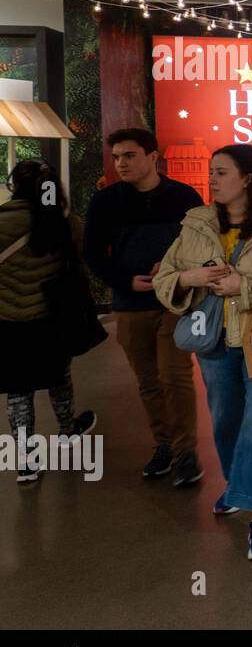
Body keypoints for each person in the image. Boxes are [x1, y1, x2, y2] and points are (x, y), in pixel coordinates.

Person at [153, 145, 252, 560]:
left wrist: (246, 287)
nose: (212, 179)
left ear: (248, 179)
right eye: (211, 172)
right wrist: (190, 276)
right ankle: (237, 486)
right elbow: (165, 277)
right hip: (213, 341)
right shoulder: (196, 225)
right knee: (225, 419)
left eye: (222, 172)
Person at [84, 128, 205, 485]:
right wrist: (124, 281)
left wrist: (176, 268)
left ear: (153, 157)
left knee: (176, 376)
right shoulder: (106, 201)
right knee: (149, 381)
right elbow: (92, 253)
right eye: (117, 156)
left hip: (177, 300)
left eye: (129, 155)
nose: (121, 163)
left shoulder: (184, 196)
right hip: (131, 304)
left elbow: (202, 244)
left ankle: (186, 453)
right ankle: (164, 446)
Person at [0, 160, 97, 483]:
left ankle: (26, 461)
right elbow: (84, 261)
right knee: (58, 375)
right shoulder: (65, 222)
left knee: (18, 390)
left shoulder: (3, 221)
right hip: (51, 318)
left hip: (7, 320)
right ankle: (68, 429)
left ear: (15, 186)